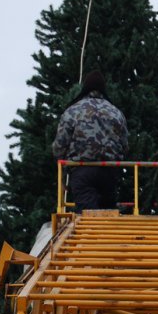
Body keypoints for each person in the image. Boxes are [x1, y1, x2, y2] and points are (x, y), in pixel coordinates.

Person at [52, 70, 128, 212]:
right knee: (108, 214)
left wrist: (62, 171)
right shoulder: (116, 112)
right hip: (109, 171)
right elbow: (125, 145)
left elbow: (59, 146)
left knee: (88, 217)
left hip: (82, 170)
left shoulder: (73, 111)